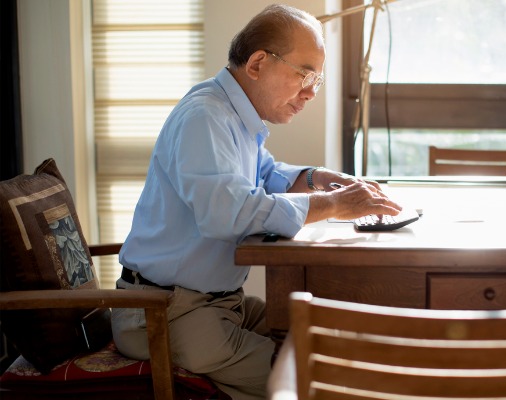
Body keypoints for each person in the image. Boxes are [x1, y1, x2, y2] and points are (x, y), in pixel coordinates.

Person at [110, 4, 403, 400]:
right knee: (321, 377)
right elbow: (228, 212)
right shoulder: (205, 117)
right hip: (165, 313)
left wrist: (315, 178)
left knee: (324, 331)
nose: (312, 92)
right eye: (305, 74)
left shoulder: (231, 114)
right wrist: (335, 206)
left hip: (215, 303)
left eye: (318, 78)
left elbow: (264, 174)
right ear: (258, 63)